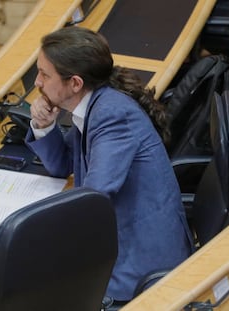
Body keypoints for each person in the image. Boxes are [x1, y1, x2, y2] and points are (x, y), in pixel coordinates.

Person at [25, 26, 194, 308]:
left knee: (37, 276)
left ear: (75, 83)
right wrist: (44, 126)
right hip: (120, 236)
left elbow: (92, 199)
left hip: (141, 260)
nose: (37, 82)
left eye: (45, 74)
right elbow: (63, 165)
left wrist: (31, 228)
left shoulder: (112, 115)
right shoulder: (94, 104)